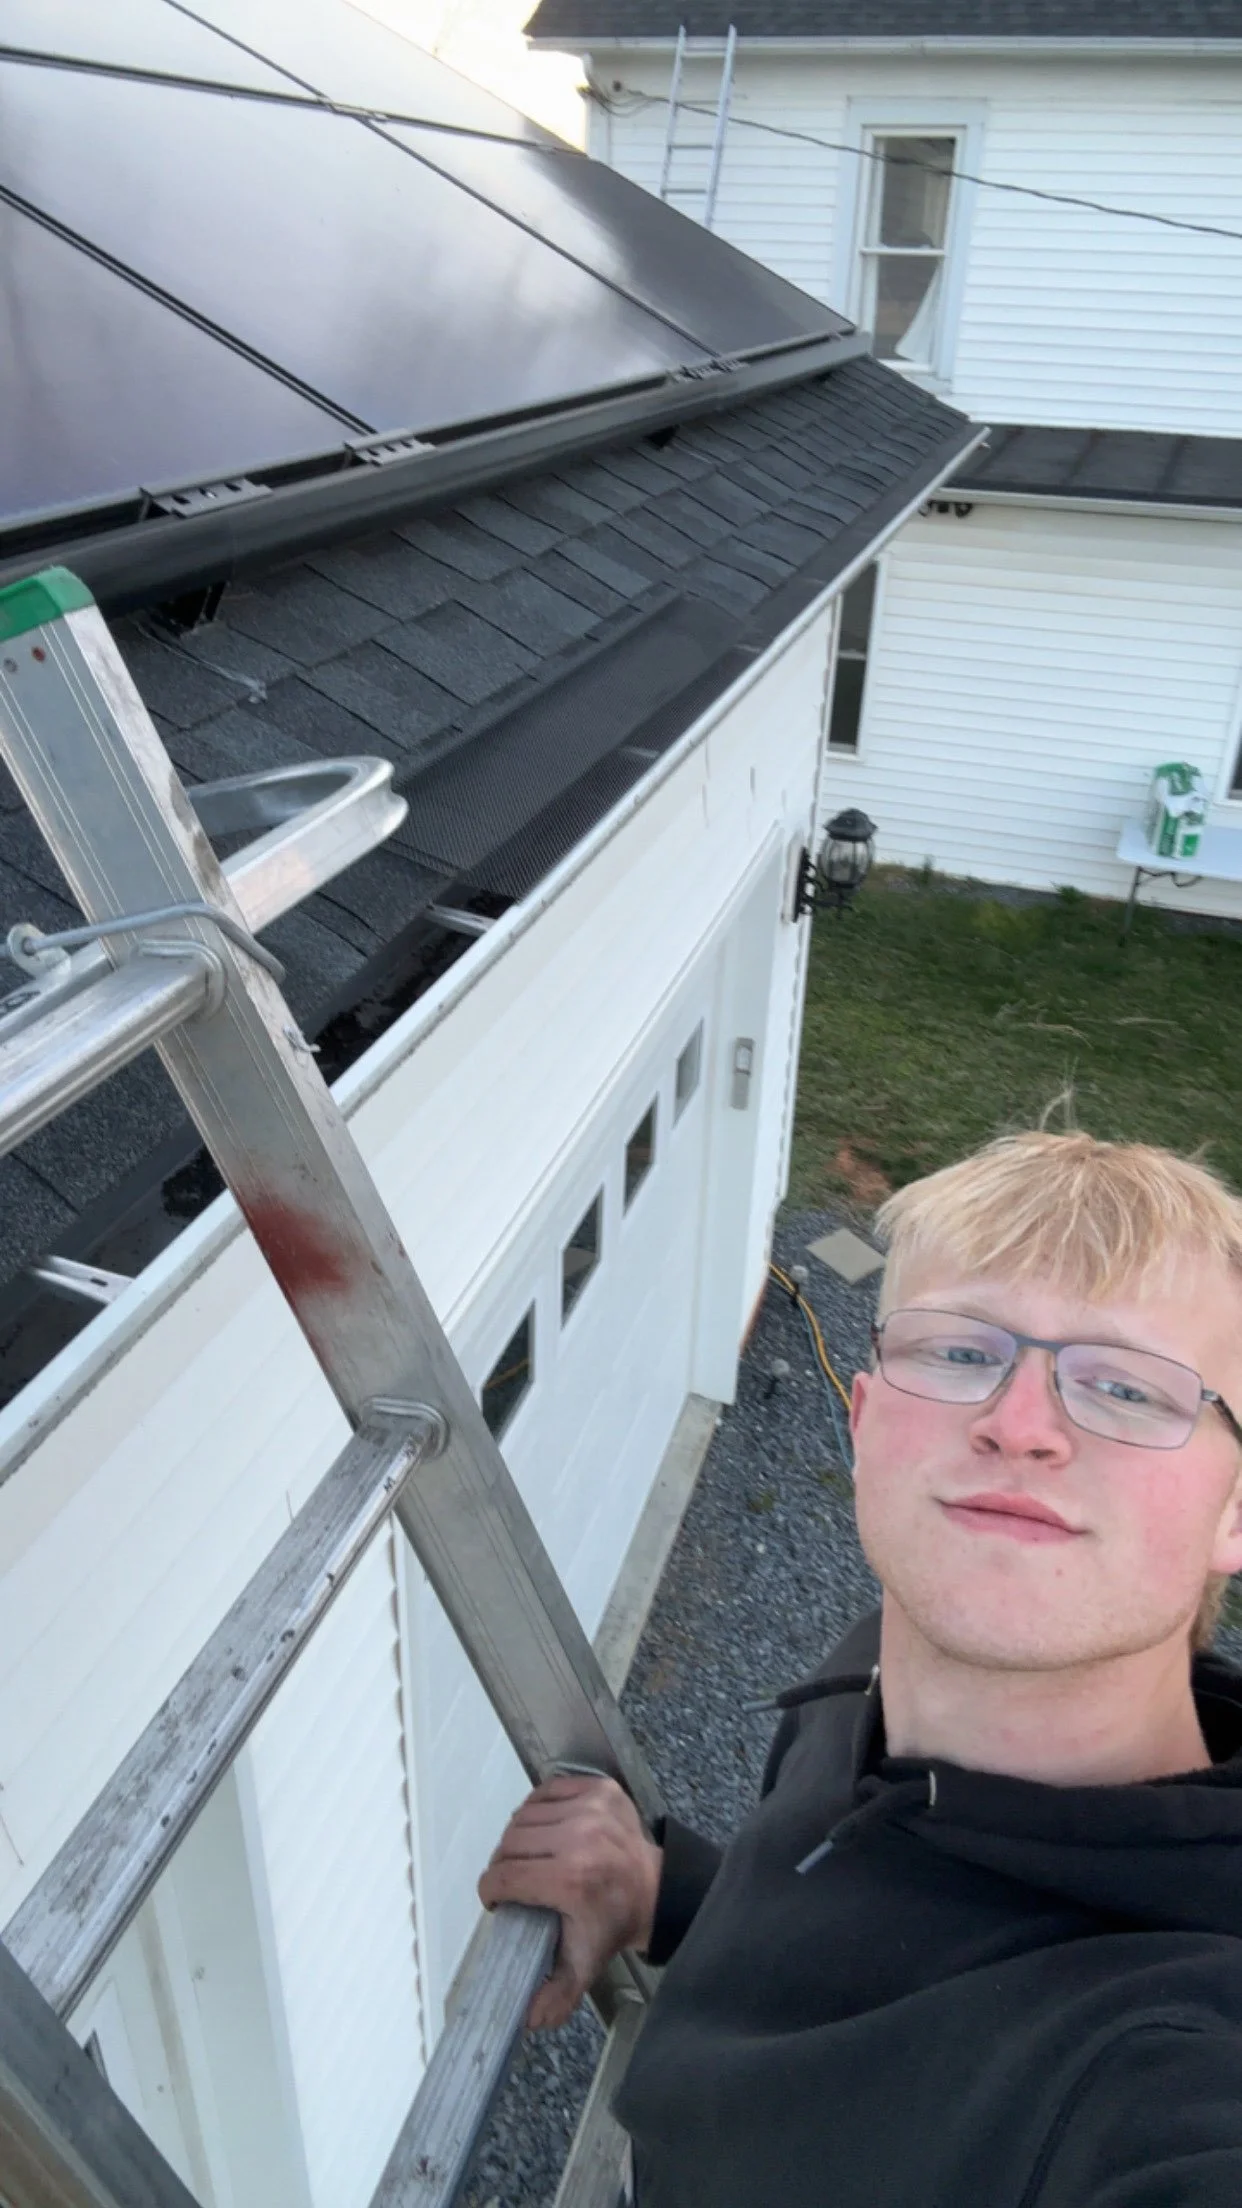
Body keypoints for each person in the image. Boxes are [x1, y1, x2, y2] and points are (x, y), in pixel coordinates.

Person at [480, 1129, 1242, 2207]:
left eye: (1127, 1389)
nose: (1018, 1426)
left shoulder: (1170, 2064)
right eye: (959, 1352)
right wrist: (670, 1897)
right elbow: (879, 1920)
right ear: (863, 1424)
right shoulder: (862, 1693)